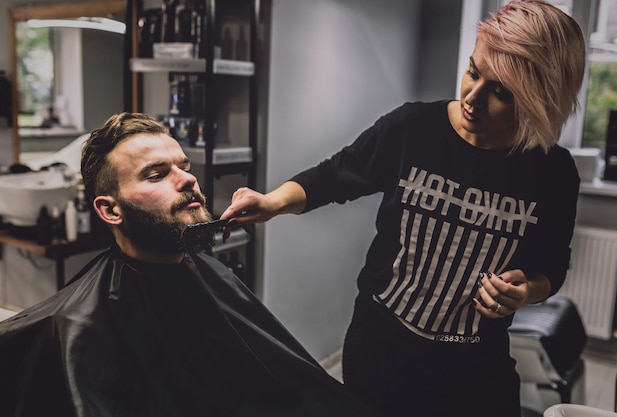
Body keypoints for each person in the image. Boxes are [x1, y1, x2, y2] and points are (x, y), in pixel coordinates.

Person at [220, 1, 586, 416]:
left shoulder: (553, 173)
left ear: (541, 99)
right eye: (473, 71)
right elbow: (333, 176)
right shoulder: (413, 129)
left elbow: (551, 268)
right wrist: (270, 202)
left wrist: (524, 292)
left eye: (501, 92)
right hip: (382, 352)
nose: (473, 96)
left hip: (474, 367)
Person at [0, 112, 381, 417]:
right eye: (157, 174)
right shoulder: (75, 324)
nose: (187, 179)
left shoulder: (215, 277)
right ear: (110, 209)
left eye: (183, 166)